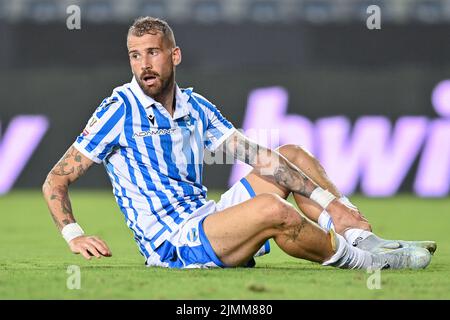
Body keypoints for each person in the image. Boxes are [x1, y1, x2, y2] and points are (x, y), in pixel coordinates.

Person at [43, 16, 436, 270]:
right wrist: (74, 235)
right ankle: (367, 263)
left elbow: (259, 158)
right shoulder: (119, 109)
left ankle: (363, 235)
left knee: (291, 155)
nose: (144, 65)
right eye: (134, 56)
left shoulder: (194, 105)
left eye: (153, 53)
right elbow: (55, 181)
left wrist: (332, 203)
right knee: (270, 208)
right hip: (173, 245)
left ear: (174, 55)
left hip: (207, 216)